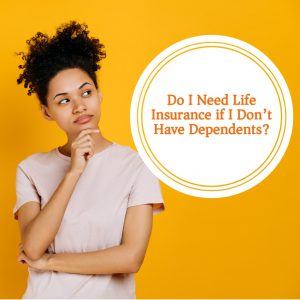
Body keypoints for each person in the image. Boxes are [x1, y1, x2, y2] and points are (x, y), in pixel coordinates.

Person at [13, 20, 165, 299]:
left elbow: (130, 258)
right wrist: (73, 173)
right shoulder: (31, 169)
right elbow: (33, 247)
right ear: (47, 112)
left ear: (99, 95)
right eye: (63, 100)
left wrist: (49, 262)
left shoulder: (137, 166)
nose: (79, 105)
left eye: (86, 92)